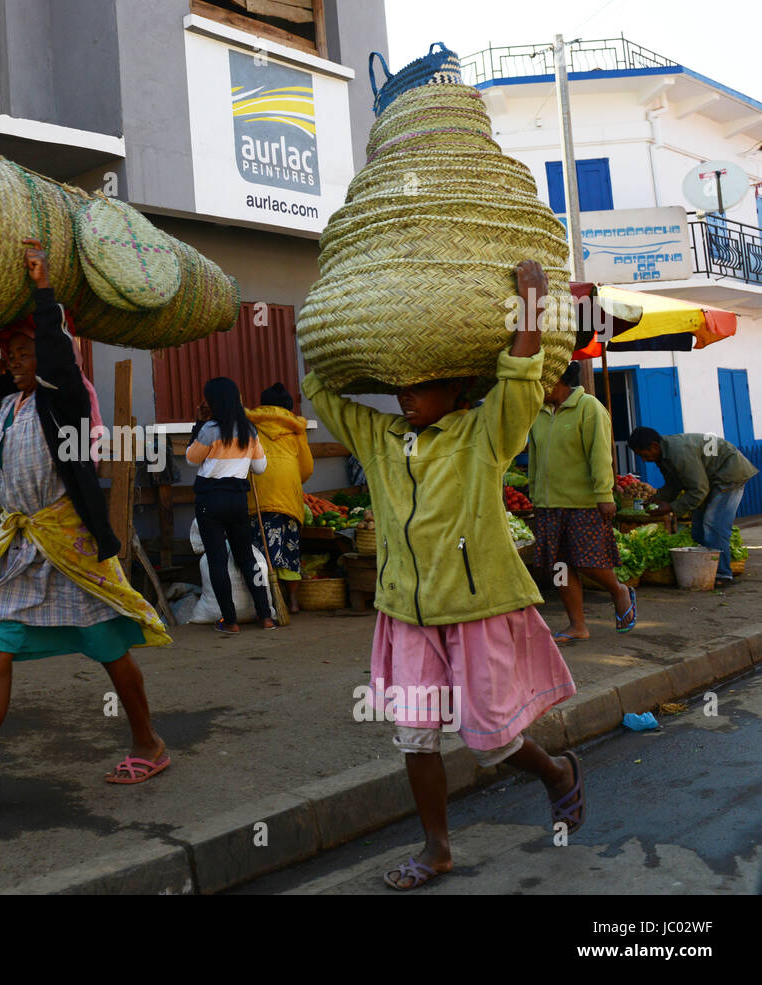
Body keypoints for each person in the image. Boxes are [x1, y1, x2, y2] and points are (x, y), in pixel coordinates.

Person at [302, 260, 584, 890]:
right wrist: (332, 313)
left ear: (459, 390)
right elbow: (319, 389)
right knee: (414, 738)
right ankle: (436, 849)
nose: (406, 393)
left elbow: (520, 377)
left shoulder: (484, 432)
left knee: (491, 741)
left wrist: (532, 302)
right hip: (404, 612)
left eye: (423, 383)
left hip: (477, 605)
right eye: (401, 384)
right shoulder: (379, 438)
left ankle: (558, 772)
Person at [0, 240, 171, 809]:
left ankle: (148, 743)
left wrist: (43, 293)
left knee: (108, 648)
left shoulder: (68, 401)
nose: (19, 361)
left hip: (70, 545)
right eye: (12, 354)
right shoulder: (4, 404)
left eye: (26, 352)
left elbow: (57, 361)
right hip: (21, 547)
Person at [528, 361, 635, 643]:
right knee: (560, 567)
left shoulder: (589, 408)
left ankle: (618, 591)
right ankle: (578, 625)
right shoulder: (537, 414)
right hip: (548, 505)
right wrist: (535, 495)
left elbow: (600, 454)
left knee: (588, 561)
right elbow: (535, 460)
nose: (536, 388)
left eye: (540, 382)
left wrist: (604, 494)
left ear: (557, 381)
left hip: (583, 502)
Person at [186, 378, 275, 635]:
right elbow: (260, 468)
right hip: (237, 501)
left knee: (217, 560)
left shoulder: (210, 429)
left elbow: (192, 459)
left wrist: (199, 423)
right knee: (246, 557)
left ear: (213, 402)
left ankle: (230, 621)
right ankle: (266, 616)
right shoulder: (249, 430)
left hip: (210, 501)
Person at [628, 426, 758, 588]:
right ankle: (710, 565)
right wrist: (654, 500)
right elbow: (674, 485)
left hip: (729, 474)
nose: (643, 459)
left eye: (643, 454)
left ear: (654, 446)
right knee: (697, 530)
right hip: (710, 479)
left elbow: (699, 490)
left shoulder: (679, 453)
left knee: (713, 525)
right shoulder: (663, 456)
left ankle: (723, 574)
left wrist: (671, 508)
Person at [246, 383, 314, 614]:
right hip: (288, 498)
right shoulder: (296, 430)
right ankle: (292, 601)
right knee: (289, 551)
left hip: (258, 497)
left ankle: (269, 602)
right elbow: (306, 469)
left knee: (262, 553)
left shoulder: (251, 427)